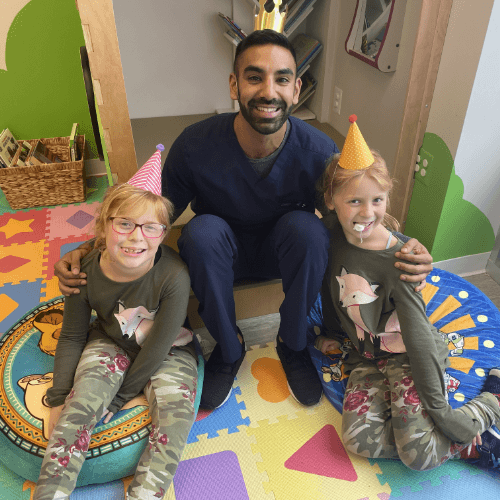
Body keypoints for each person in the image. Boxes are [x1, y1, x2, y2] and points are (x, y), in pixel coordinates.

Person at [54, 30, 432, 411]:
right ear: (234, 84)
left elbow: (356, 216)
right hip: (218, 257)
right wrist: (90, 249)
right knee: (201, 232)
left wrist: (401, 246)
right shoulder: (195, 144)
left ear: (296, 89)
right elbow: (146, 212)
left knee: (310, 230)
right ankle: (229, 348)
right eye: (255, 77)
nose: (269, 91)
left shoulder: (319, 150)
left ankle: (294, 341)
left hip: (283, 253)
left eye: (282, 79)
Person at [315, 116, 500, 471]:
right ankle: (455, 446)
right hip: (366, 358)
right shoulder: (328, 233)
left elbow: (416, 336)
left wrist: (445, 417)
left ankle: (489, 405)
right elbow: (328, 289)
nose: (366, 213)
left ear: (387, 198)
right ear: (331, 200)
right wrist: (327, 333)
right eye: (354, 201)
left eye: (377, 200)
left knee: (419, 458)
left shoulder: (401, 262)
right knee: (357, 441)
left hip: (409, 358)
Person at [34, 147, 198, 500]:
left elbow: (157, 346)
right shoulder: (86, 270)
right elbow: (73, 335)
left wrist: (121, 395)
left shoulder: (174, 275)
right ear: (103, 225)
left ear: (163, 232)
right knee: (81, 404)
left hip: (169, 350)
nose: (137, 236)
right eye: (124, 223)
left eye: (151, 227)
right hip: (109, 342)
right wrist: (60, 396)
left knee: (175, 418)